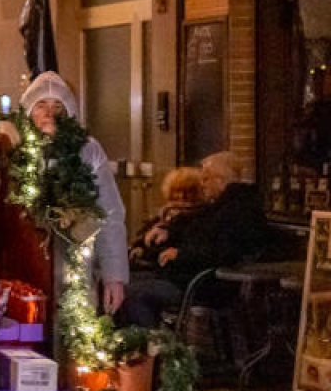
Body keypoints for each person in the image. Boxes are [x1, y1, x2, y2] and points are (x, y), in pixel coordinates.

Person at [117, 151, 270, 328]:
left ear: (220, 180)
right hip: (186, 276)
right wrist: (167, 230)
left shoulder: (238, 211)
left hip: (204, 285)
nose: (202, 185)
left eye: (206, 179)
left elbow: (223, 252)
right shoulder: (219, 205)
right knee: (120, 280)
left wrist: (181, 254)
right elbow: (191, 225)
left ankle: (152, 346)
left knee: (131, 293)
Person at [19, 72, 129, 316]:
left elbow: (110, 212)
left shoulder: (87, 150)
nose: (49, 113)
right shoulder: (17, 150)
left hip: (74, 265)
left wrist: (114, 275)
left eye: (57, 106)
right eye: (41, 105)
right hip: (22, 265)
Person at [129, 167, 204, 272]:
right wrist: (138, 247)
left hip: (167, 271)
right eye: (177, 191)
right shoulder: (164, 214)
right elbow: (141, 237)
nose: (182, 196)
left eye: (189, 191)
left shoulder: (199, 217)